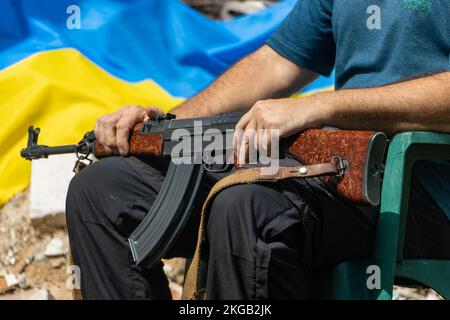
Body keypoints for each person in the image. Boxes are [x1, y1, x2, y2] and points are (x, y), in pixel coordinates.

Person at [66, 0, 450, 299]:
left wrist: (321, 106)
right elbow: (276, 65)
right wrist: (163, 126)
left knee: (247, 206)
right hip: (339, 173)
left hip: (424, 192)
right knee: (102, 191)